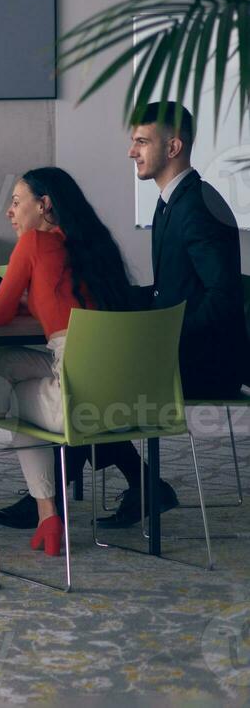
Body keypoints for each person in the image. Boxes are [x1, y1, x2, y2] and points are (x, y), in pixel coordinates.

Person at [0, 167, 138, 556]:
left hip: (75, 395)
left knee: (14, 400)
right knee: (12, 362)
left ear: (44, 204)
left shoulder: (35, 243)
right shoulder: (95, 245)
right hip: (125, 394)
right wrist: (30, 301)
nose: (10, 212)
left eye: (17, 202)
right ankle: (45, 516)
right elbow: (68, 307)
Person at [92, 102, 250, 528]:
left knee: (91, 381)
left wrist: (163, 337)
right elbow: (170, 293)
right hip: (184, 352)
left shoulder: (195, 207)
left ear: (174, 146)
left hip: (207, 364)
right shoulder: (171, 202)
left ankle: (59, 492)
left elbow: (223, 297)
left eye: (142, 141)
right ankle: (137, 485)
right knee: (88, 373)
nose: (132, 152)